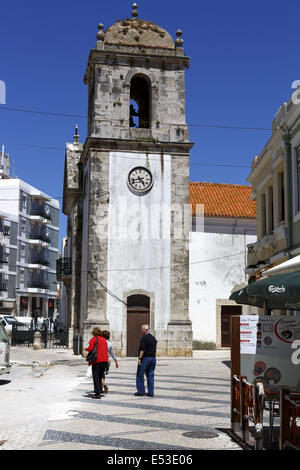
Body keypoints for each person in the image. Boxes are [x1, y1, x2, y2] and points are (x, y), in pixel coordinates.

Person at [84, 327, 108, 399]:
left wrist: (86, 349)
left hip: (97, 360)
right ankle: (100, 390)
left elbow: (91, 348)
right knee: (100, 376)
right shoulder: (104, 340)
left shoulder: (94, 339)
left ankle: (97, 393)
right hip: (104, 361)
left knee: (96, 377)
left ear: (94, 333)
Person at [135, 324, 157, 397]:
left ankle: (141, 392)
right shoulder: (153, 338)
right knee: (150, 375)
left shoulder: (144, 338)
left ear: (146, 330)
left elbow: (142, 350)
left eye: (142, 329)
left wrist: (139, 358)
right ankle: (151, 392)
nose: (140, 331)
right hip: (153, 359)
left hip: (145, 359)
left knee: (140, 374)